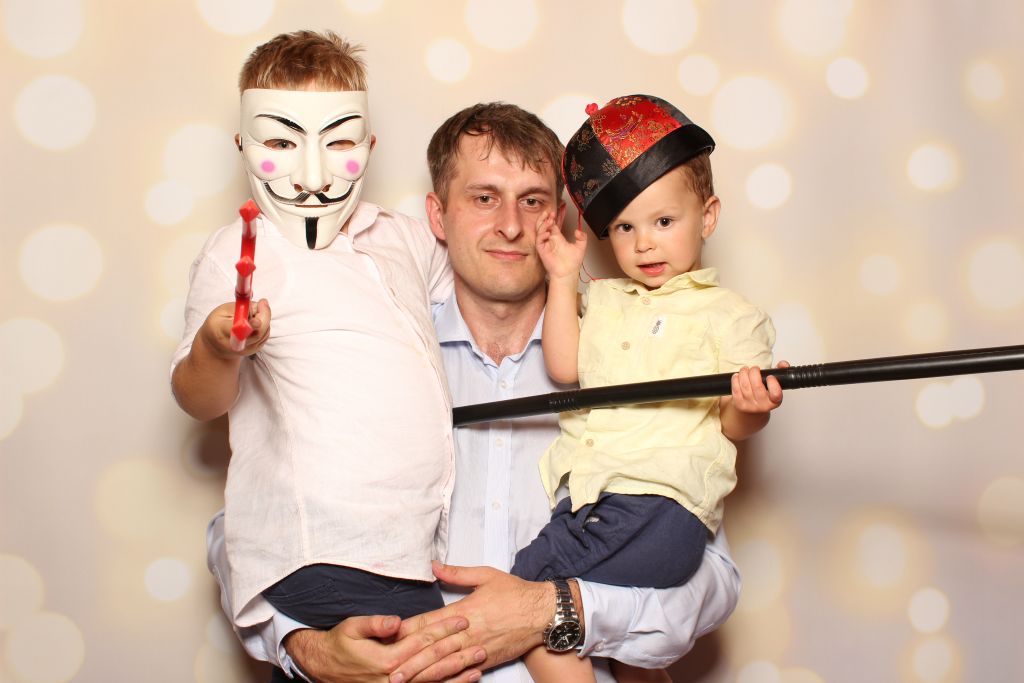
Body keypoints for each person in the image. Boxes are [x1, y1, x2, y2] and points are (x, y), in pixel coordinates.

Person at [207, 102, 743, 683]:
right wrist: (303, 644)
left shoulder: (631, 345)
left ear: (560, 219)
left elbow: (711, 581)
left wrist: (551, 612)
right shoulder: (370, 345)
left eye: (532, 201)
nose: (510, 226)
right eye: (484, 198)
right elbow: (248, 523)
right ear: (437, 216)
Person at [171, 30, 456, 680]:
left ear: (369, 145)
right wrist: (218, 346)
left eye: (338, 143)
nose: (312, 174)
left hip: (411, 554)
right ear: (243, 145)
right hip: (321, 555)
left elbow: (479, 292)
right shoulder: (238, 253)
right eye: (280, 143)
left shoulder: (403, 239)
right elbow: (198, 398)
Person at [512, 94, 785, 683]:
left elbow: (734, 424)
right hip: (589, 500)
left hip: (658, 507)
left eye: (664, 222)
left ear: (707, 216)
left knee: (524, 597)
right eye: (624, 227)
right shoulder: (604, 299)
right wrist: (562, 278)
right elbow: (564, 366)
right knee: (620, 644)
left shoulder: (729, 315)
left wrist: (751, 406)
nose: (643, 244)